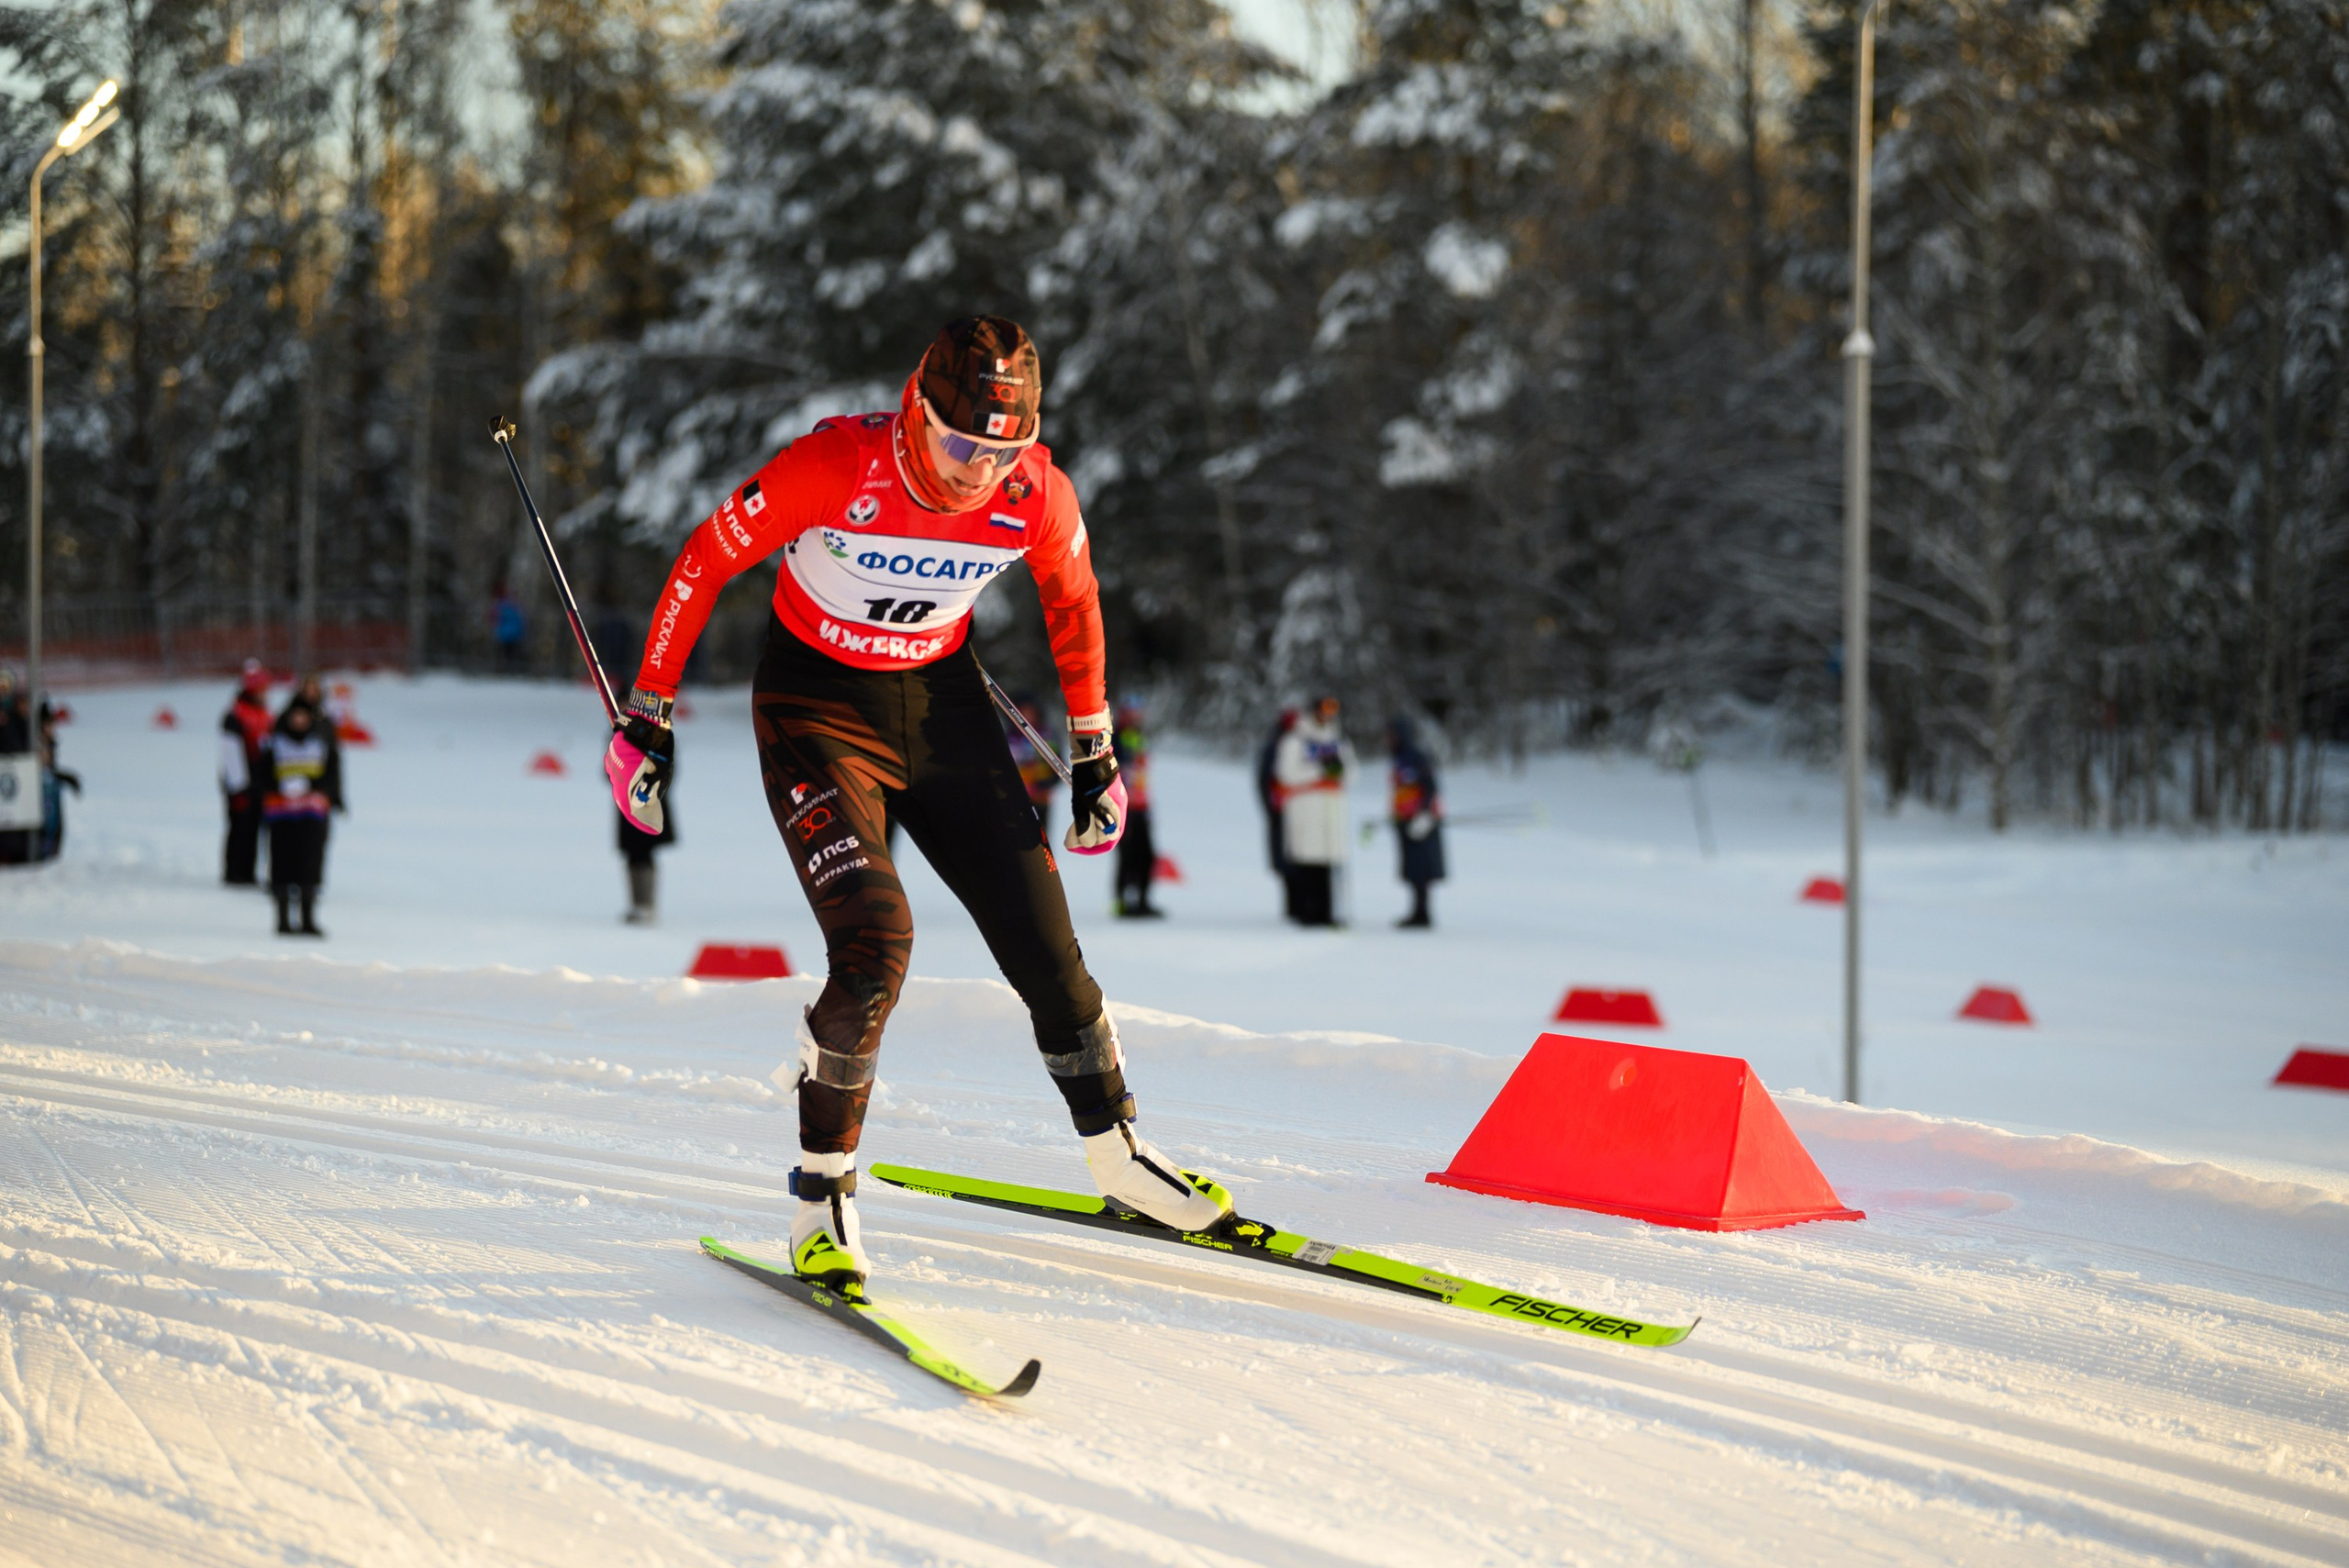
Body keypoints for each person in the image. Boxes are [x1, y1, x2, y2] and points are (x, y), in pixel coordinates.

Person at [601, 316, 1229, 1289]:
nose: (978, 470)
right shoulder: (834, 465)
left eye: (1001, 450)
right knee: (877, 943)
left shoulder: (1037, 495)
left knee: (1044, 940)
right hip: (816, 709)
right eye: (960, 443)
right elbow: (703, 560)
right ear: (916, 409)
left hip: (941, 710)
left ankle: (1119, 1156)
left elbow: (1075, 598)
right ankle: (820, 1197)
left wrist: (1095, 745)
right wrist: (648, 714)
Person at [264, 685, 343, 936]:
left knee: (310, 865)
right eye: (295, 716)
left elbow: (332, 775)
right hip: (281, 816)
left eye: (303, 717)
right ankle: (283, 920)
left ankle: (308, 918)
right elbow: (262, 776)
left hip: (311, 816)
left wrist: (315, 788)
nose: (299, 721)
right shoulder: (274, 745)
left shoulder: (320, 745)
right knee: (282, 865)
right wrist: (280, 786)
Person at [1273, 695, 1351, 927]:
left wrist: (1336, 774)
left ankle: (1327, 913)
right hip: (1305, 809)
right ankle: (1306, 912)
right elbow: (1286, 774)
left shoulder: (1338, 741)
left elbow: (1351, 772)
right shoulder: (1295, 740)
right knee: (1307, 863)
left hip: (1330, 810)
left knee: (1327, 864)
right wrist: (1318, 774)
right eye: (1323, 709)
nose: (1327, 715)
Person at [1386, 716, 1445, 929]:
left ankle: (1422, 913)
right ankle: (1417, 911)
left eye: (1392, 735)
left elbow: (1430, 787)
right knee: (1411, 868)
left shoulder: (1418, 757)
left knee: (1422, 869)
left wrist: (1424, 814)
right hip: (1404, 820)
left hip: (1421, 821)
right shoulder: (1398, 759)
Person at [219, 662, 274, 884]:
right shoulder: (234, 715)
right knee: (241, 829)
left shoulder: (265, 714)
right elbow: (230, 754)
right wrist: (238, 787)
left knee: (255, 830)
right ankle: (235, 873)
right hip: (241, 785)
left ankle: (249, 872)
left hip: (261, 783)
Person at [1111, 698, 1161, 917]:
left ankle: (1143, 900)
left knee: (1147, 855)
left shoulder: (1139, 736)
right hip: (1123, 806)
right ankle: (1122, 902)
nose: (1135, 718)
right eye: (1131, 714)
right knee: (1126, 856)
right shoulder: (1116, 738)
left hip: (1141, 805)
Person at [1255, 706, 1297, 915]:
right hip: (1280, 810)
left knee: (1298, 859)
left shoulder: (1296, 745)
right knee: (1285, 860)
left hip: (1298, 812)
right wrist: (1270, 808)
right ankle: (1292, 906)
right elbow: (1264, 781)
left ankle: (1298, 905)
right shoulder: (1274, 747)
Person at [1007, 697, 1063, 839]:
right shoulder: (1008, 736)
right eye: (1022, 711)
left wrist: (1045, 786)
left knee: (1041, 838)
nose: (1026, 715)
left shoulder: (1047, 736)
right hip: (1015, 798)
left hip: (1040, 797)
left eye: (1029, 712)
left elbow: (1058, 768)